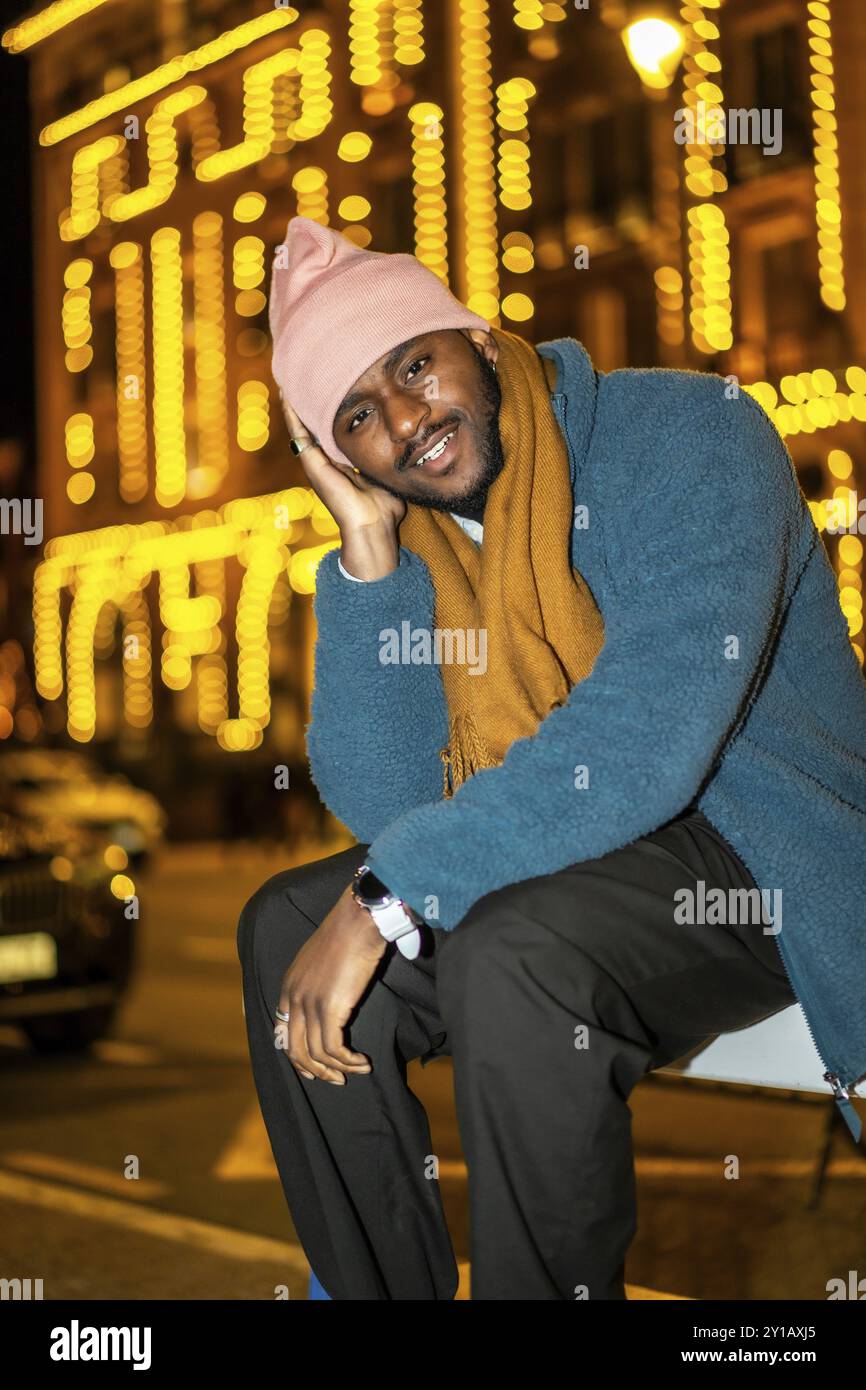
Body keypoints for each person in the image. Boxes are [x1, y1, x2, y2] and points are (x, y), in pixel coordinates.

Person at [236, 216, 866, 1300]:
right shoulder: (419, 549)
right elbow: (386, 801)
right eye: (357, 417)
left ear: (476, 340)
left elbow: (646, 740)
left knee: (511, 950)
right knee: (285, 921)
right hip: (579, 869)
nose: (406, 420)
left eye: (412, 364)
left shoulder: (683, 432)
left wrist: (387, 901)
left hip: (755, 858)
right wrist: (367, 550)